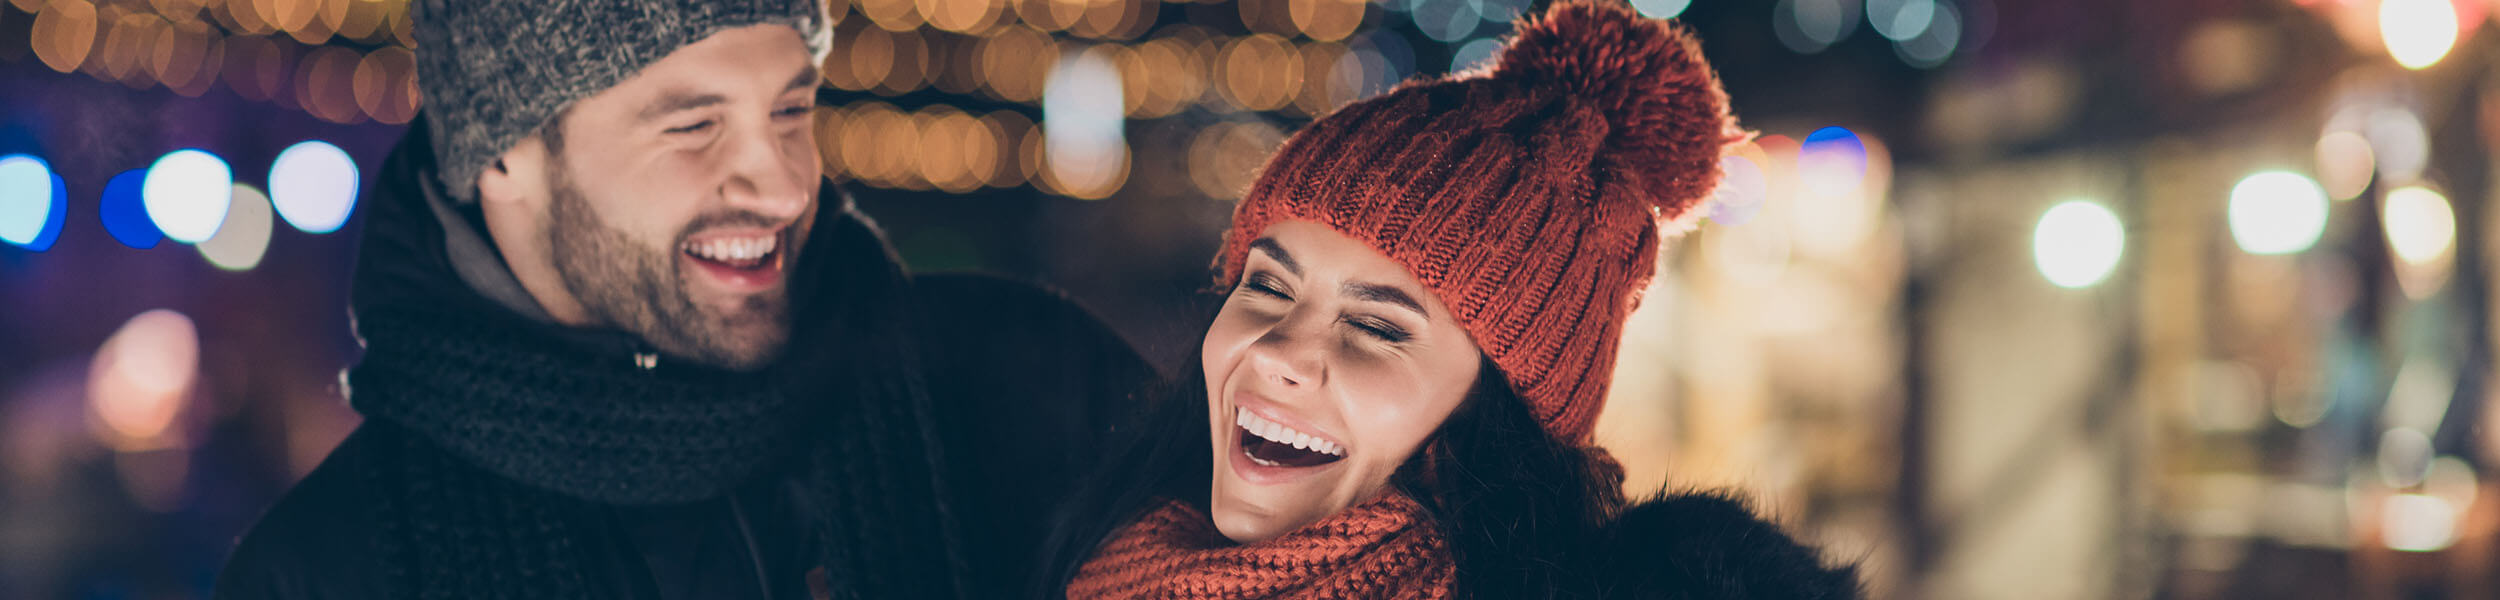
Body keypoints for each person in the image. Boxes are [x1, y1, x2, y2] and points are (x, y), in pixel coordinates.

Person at [211, 1, 1152, 598]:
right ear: (502, 156)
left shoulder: (1031, 386)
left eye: (791, 110)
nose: (785, 188)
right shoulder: (334, 570)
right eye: (694, 124)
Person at [1037, 2, 1863, 597]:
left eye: (1374, 327)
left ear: (1493, 414)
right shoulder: (1096, 541)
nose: (1278, 352)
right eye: (1268, 284)